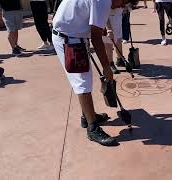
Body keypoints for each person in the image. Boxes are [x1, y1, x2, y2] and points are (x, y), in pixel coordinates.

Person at [52, 0, 124, 146]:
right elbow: (96, 38)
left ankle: (87, 116)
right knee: (82, 83)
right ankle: (92, 129)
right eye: (123, 3)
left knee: (85, 79)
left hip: (71, 35)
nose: (119, 7)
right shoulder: (104, 2)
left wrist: (99, 28)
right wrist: (106, 67)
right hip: (69, 39)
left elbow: (90, 21)